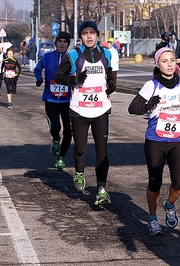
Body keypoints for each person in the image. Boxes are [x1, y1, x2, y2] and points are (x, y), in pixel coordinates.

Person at [128, 47, 180, 236]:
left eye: (172, 60)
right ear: (158, 64)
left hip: (178, 140)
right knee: (154, 182)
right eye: (165, 61)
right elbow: (133, 108)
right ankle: (152, 218)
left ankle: (169, 204)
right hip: (155, 141)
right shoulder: (152, 85)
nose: (169, 64)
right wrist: (149, 105)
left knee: (179, 184)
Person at [55, 21, 116, 205]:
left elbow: (109, 73)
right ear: (80, 37)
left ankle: (101, 189)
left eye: (92, 33)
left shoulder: (105, 53)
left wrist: (112, 85)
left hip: (101, 109)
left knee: (102, 150)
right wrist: (73, 79)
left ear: (97, 36)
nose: (89, 36)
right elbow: (58, 76)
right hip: (79, 109)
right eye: (85, 33)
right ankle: (79, 172)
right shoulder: (73, 55)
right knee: (80, 148)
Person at [34, 32, 72, 170]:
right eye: (60, 41)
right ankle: (56, 139)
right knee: (55, 127)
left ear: (68, 44)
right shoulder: (47, 57)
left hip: (68, 101)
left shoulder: (72, 58)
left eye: (65, 41)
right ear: (56, 43)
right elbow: (37, 69)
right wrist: (39, 79)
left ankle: (61, 158)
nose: (62, 43)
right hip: (51, 100)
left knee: (69, 132)